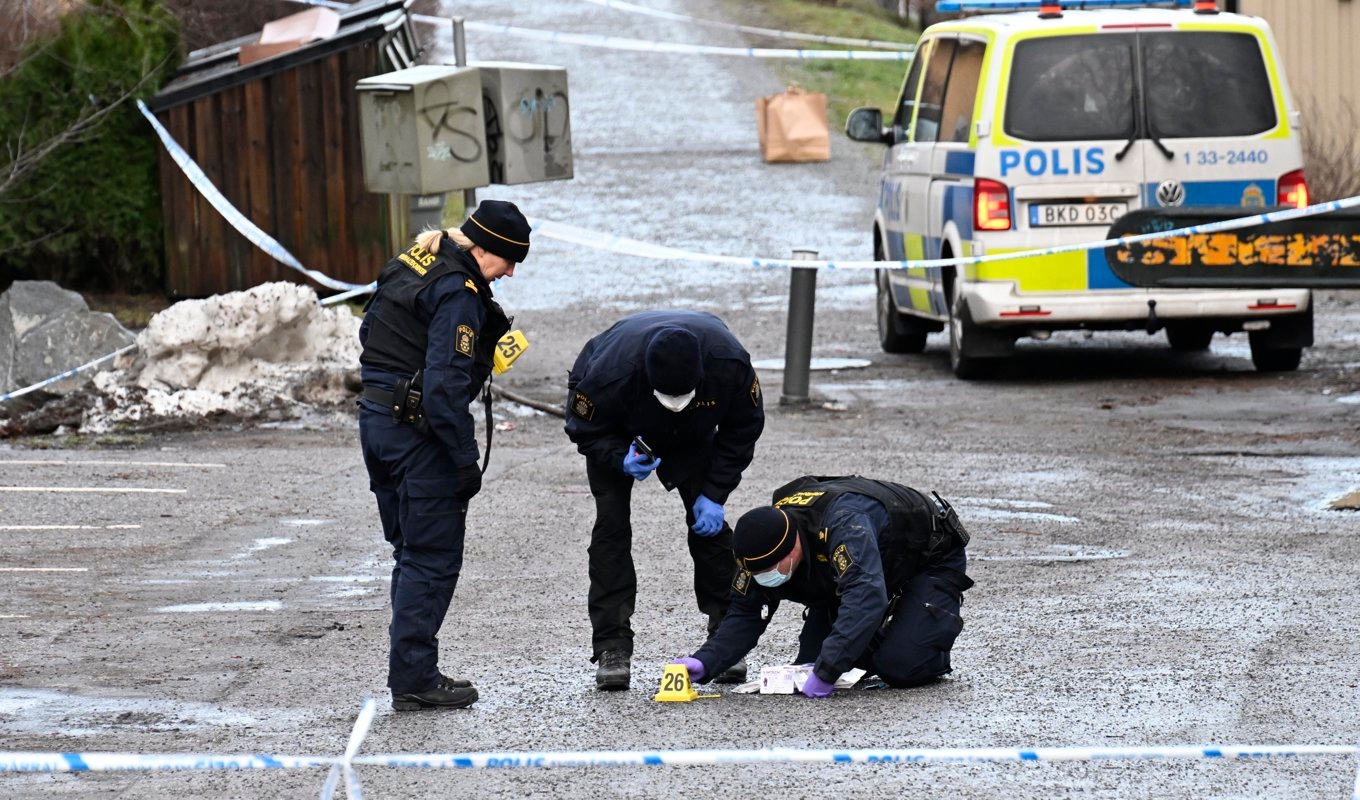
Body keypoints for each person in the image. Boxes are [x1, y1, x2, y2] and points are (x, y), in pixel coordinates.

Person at [357, 199, 530, 711]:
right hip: (418, 437)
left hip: (376, 421)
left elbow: (371, 334)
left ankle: (413, 671)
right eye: (509, 260)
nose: (512, 272)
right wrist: (465, 461)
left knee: (409, 552)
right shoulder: (458, 294)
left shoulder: (413, 261)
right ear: (484, 249)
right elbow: (442, 391)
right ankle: (415, 679)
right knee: (431, 557)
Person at [565, 310, 765, 690]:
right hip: (620, 429)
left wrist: (715, 492)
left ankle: (727, 640)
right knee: (611, 528)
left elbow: (744, 428)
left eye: (682, 396)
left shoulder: (729, 366)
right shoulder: (609, 374)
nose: (674, 403)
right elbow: (583, 428)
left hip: (694, 433)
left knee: (709, 529)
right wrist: (617, 458)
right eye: (666, 397)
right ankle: (612, 646)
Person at [672, 475, 974, 696]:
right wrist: (705, 661)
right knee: (811, 662)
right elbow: (746, 613)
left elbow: (866, 597)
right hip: (866, 565)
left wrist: (828, 671)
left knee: (897, 664)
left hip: (927, 557)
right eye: (758, 572)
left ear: (794, 549)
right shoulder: (761, 545)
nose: (766, 576)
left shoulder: (844, 526)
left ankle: (921, 638)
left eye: (771, 570)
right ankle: (879, 636)